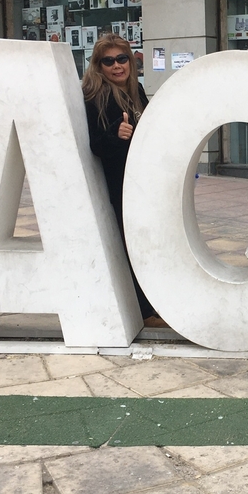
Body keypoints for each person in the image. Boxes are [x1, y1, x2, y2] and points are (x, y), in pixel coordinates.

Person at [82, 33, 163, 326]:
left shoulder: (135, 90)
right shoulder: (96, 97)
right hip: (120, 184)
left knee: (149, 243)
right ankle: (143, 311)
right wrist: (117, 137)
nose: (117, 66)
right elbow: (95, 146)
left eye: (122, 59)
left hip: (141, 181)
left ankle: (154, 303)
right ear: (98, 65)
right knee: (133, 247)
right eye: (108, 61)